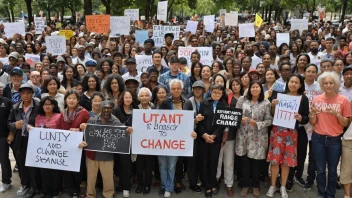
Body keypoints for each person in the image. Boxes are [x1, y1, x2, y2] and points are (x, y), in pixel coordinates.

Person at [79, 100, 133, 198]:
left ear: (112, 109)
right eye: (104, 108)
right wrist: (82, 129)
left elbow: (121, 135)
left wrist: (128, 131)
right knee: (91, 177)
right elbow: (85, 135)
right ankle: (90, 195)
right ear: (101, 108)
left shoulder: (115, 121)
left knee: (107, 177)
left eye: (109, 108)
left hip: (107, 155)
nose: (107, 110)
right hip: (92, 154)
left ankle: (108, 194)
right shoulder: (92, 120)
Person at [267, 74, 310, 198]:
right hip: (277, 131)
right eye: (291, 81)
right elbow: (272, 114)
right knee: (275, 160)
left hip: (292, 133)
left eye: (296, 82)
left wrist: (301, 118)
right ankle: (273, 185)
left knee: (286, 161)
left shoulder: (303, 98)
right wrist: (273, 105)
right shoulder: (280, 96)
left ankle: (283, 187)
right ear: (288, 83)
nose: (293, 84)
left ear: (300, 85)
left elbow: (306, 118)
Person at [310, 71, 351, 198]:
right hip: (318, 138)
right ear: (322, 85)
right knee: (321, 169)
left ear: (336, 84)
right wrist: (313, 114)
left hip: (334, 140)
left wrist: (337, 114)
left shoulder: (343, 100)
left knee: (333, 170)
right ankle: (321, 194)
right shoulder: (317, 99)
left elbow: (345, 123)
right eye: (326, 83)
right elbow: (313, 122)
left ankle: (330, 194)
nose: (328, 85)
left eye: (331, 83)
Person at [158, 79, 196, 198]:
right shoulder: (165, 102)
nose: (175, 90)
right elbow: (158, 120)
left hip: (178, 140)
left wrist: (192, 131)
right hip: (163, 139)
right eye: (173, 88)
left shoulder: (187, 103)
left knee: (171, 165)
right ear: (170, 90)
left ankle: (169, 187)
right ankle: (163, 186)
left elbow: (190, 121)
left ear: (182, 89)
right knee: (162, 164)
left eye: (178, 88)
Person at [236, 81, 273, 197]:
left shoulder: (266, 103)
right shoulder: (242, 100)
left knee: (256, 164)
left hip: (258, 138)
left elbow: (269, 120)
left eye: (257, 87)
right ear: (249, 88)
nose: (255, 89)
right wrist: (239, 119)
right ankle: (246, 185)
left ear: (260, 90)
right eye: (253, 87)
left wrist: (257, 124)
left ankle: (256, 186)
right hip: (243, 136)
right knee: (245, 162)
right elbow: (235, 114)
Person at [8, 83, 41, 198]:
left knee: (33, 165)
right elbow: (9, 123)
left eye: (28, 93)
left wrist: (35, 128)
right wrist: (14, 125)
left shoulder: (38, 105)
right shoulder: (15, 107)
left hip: (34, 141)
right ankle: (25, 185)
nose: (26, 95)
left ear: (32, 94)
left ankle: (34, 187)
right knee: (21, 164)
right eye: (23, 93)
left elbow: (43, 120)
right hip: (20, 140)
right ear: (20, 95)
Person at [196, 84, 228, 198]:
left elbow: (223, 123)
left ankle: (213, 183)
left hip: (216, 139)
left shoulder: (224, 104)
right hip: (203, 138)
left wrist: (214, 135)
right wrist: (204, 135)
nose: (216, 94)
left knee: (213, 162)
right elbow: (199, 121)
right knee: (204, 162)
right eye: (214, 92)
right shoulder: (204, 102)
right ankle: (207, 186)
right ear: (211, 92)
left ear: (222, 93)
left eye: (219, 93)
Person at [59, 90, 90, 198]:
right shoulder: (62, 113)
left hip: (79, 146)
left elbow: (90, 130)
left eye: (74, 98)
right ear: (65, 100)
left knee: (77, 169)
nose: (71, 101)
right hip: (65, 146)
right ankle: (69, 188)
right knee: (66, 168)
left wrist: (80, 130)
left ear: (78, 100)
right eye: (69, 98)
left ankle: (77, 189)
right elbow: (58, 128)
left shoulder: (84, 112)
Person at [29, 96, 62, 198]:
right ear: (42, 106)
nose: (47, 106)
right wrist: (31, 128)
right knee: (44, 172)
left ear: (53, 106)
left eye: (49, 104)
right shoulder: (38, 117)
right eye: (45, 104)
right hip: (43, 151)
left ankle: (56, 191)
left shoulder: (59, 116)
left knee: (55, 172)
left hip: (56, 150)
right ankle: (48, 192)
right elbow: (36, 133)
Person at [112, 90, 138, 197]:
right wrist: (125, 127)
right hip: (118, 142)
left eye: (130, 97)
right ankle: (121, 184)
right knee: (119, 165)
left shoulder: (136, 110)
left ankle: (126, 187)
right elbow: (113, 123)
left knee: (127, 165)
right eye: (126, 97)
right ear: (122, 99)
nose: (128, 99)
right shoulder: (116, 110)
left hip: (132, 142)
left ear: (132, 99)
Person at [0, 90, 12, 193]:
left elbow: (11, 118)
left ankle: (6, 181)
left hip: (3, 136)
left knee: (3, 159)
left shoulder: (7, 102)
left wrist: (11, 133)